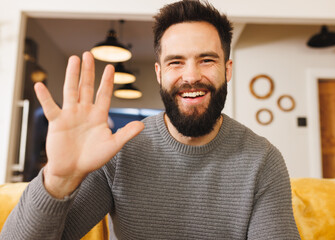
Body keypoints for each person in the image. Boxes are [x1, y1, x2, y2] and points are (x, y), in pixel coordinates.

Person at [0, 0, 300, 239]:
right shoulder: (120, 151)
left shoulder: (263, 160)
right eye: (176, 62)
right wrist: (58, 180)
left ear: (228, 69)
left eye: (207, 60)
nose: (192, 76)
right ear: (159, 73)